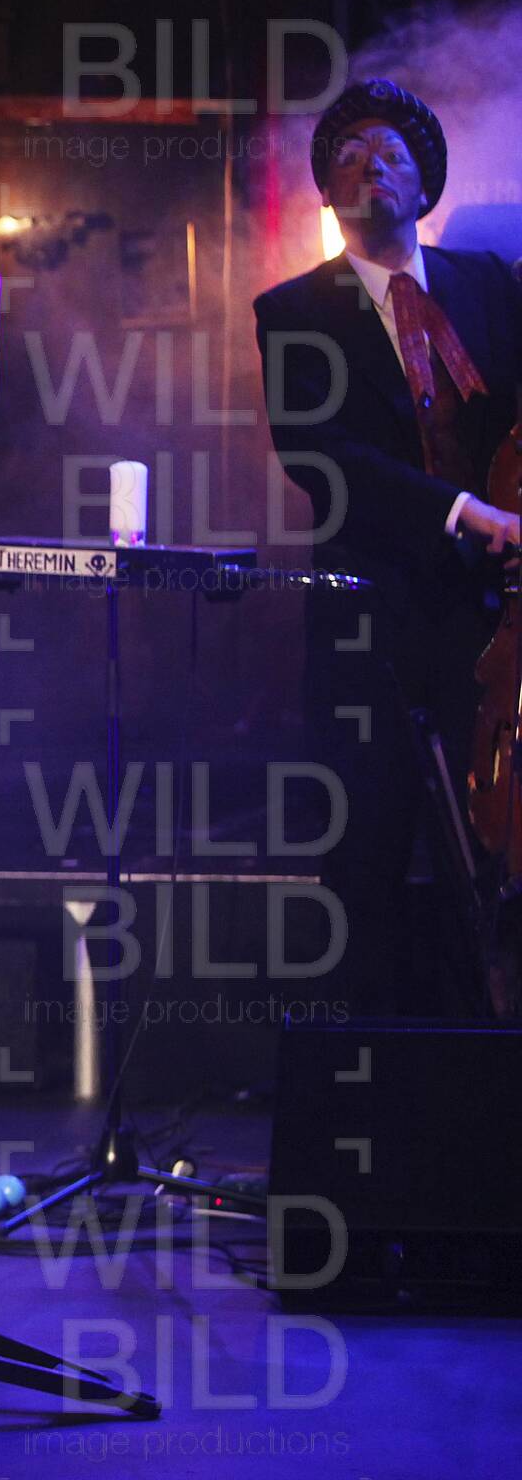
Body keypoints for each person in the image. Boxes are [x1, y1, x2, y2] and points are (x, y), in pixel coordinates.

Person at [257, 77, 522, 1016]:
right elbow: (320, 457)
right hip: (366, 624)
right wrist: (460, 511)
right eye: (350, 156)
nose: (373, 167)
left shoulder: (490, 285)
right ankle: (361, 1079)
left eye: (393, 154)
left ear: (425, 183)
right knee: (365, 859)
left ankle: (486, 1072)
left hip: (492, 624)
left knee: (489, 862)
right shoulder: (294, 312)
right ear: (327, 193)